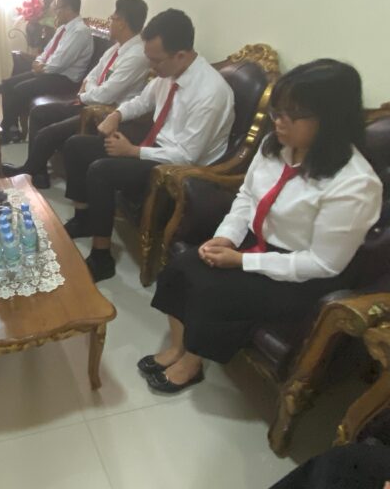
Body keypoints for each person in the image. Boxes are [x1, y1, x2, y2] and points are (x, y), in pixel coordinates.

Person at [141, 59, 382, 393]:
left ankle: (191, 363)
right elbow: (246, 197)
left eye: (292, 115)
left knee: (213, 290)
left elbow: (323, 263)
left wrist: (242, 261)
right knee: (180, 268)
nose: (279, 122)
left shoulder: (355, 184)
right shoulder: (276, 147)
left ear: (331, 118)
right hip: (256, 243)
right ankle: (177, 347)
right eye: (277, 111)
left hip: (302, 274)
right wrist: (226, 237)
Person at [62, 9, 235, 281]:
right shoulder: (170, 73)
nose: (151, 68)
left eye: (156, 61)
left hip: (180, 168)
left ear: (180, 55)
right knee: (76, 145)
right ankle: (83, 219)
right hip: (154, 147)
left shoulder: (210, 93)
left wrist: (133, 152)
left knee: (100, 171)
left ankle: (101, 257)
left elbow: (187, 156)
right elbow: (143, 101)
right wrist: (117, 115)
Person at [2, 0, 150, 188]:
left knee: (48, 133)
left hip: (103, 112)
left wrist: (85, 92)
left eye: (112, 18)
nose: (110, 22)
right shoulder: (117, 48)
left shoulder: (137, 55)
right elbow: (92, 75)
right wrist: (89, 88)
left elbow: (106, 95)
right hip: (88, 100)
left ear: (122, 22)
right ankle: (38, 173)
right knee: (38, 113)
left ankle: (29, 170)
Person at [0, 0, 94, 143]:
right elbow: (48, 51)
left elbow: (60, 63)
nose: (55, 12)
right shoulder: (63, 28)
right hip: (50, 73)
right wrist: (38, 62)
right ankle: (11, 128)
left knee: (19, 89)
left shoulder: (80, 32)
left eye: (58, 8)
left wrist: (42, 67)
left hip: (66, 80)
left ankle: (6, 132)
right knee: (7, 84)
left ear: (69, 9)